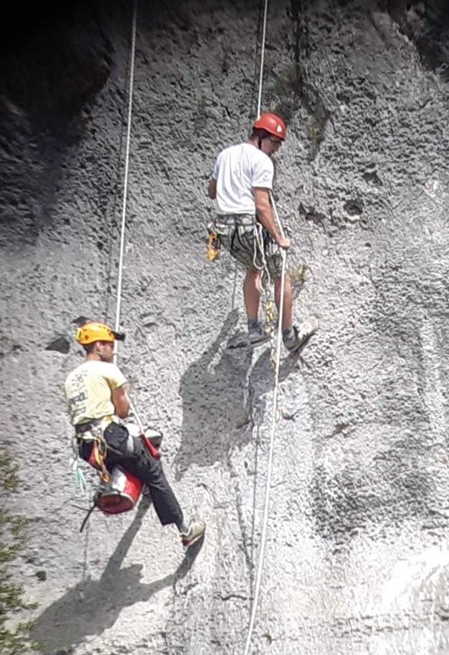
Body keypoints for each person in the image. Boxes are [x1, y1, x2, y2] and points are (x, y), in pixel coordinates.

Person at [65, 322, 205, 548]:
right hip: (109, 437)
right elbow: (123, 411)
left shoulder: (71, 379)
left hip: (86, 446)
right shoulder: (108, 370)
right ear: (98, 346)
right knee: (154, 471)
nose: (113, 350)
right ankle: (184, 530)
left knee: (125, 458)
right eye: (109, 345)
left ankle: (132, 481)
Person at [208, 111, 304, 350]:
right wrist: (278, 238)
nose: (276, 149)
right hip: (248, 225)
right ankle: (289, 336)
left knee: (253, 269)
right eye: (275, 142)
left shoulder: (224, 155)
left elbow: (211, 192)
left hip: (225, 230)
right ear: (261, 137)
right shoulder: (262, 161)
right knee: (281, 276)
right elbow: (262, 205)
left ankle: (254, 329)